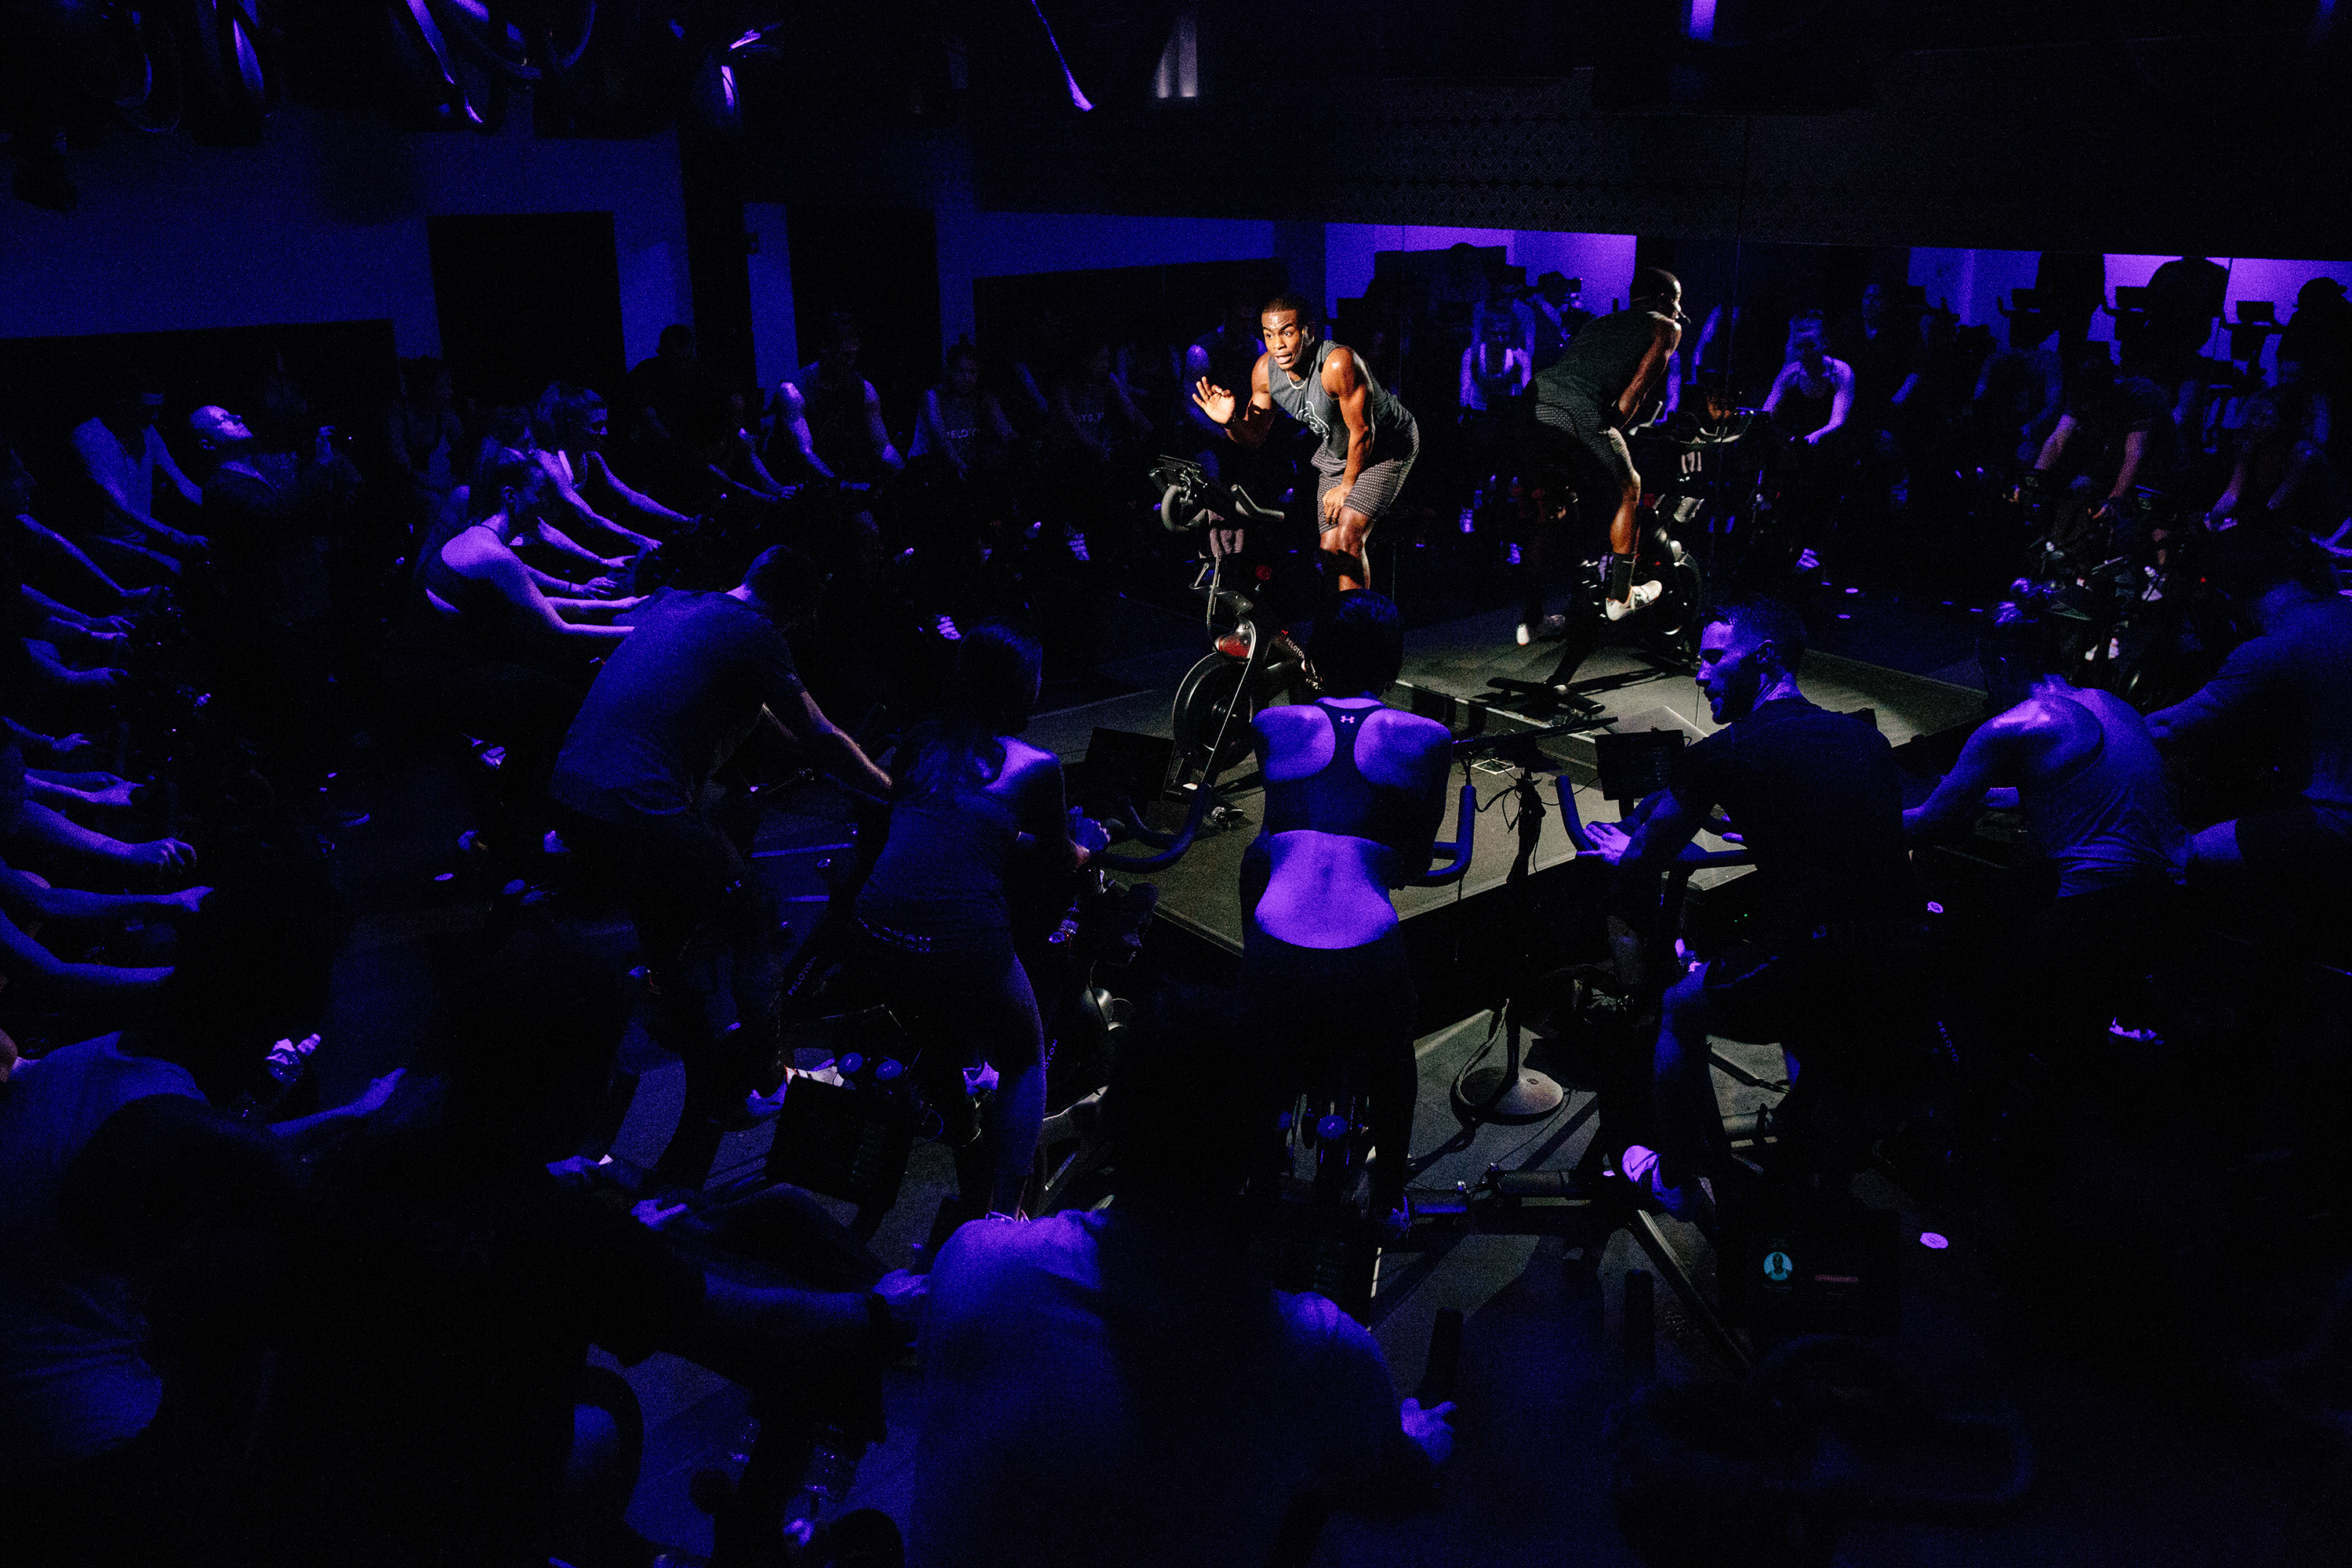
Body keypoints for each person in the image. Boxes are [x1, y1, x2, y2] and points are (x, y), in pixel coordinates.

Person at [254, 927, 903, 1568]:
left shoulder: (348, 1166)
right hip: (450, 1531)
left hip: (307, 1499)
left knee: (597, 1415)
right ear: (565, 1083)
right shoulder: (568, 1236)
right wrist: (885, 1309)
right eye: (605, 1064)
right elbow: (751, 1324)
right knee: (605, 1418)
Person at [907, 989, 1455, 1568]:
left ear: (1105, 1121)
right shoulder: (1324, 1353)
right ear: (1259, 1155)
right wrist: (1421, 1441)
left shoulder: (976, 1262)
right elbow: (1396, 1487)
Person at [550, 545, 888, 1171]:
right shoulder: (756, 633)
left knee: (664, 932)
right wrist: (893, 794)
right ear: (797, 603)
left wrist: (828, 767)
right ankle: (767, 1080)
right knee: (754, 915)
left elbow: (763, 718)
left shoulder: (682, 604)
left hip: (573, 793)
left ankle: (703, 1074)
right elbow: (819, 732)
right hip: (637, 803)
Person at [1584, 597, 1922, 1220]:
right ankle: (1825, 1157)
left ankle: (1677, 1181)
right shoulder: (1863, 739)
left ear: (1764, 658)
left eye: (1715, 658)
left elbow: (1643, 861)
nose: (1701, 673)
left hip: (1816, 959)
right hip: (1900, 960)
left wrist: (1626, 861)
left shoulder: (1725, 752)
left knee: (1681, 1008)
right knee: (1813, 1007)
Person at [853, 624, 1103, 1217]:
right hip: (960, 940)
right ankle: (1004, 1214)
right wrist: (1089, 843)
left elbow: (932, 819)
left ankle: (950, 1110)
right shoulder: (1037, 766)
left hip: (872, 926)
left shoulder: (922, 742)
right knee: (1023, 1056)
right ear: (1024, 690)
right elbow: (1057, 859)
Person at [1239, 591, 1451, 1226]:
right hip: (1365, 945)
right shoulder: (1429, 738)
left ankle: (1253, 1180)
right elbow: (1412, 860)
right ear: (1393, 661)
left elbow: (1273, 834)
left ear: (1319, 657)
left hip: (1277, 941)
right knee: (1393, 1064)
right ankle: (1389, 1197)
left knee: (1262, 1062)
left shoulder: (1272, 726)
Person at [1904, 597, 2188, 1052]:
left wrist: (1845, 818)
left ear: (1997, 662)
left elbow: (1927, 827)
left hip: (2096, 907)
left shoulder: (2015, 726)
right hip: (2166, 896)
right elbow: (2075, 792)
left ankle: (1979, 1097)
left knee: (1958, 971)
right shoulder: (2111, 705)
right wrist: (1978, 793)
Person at [2146, 525, 2352, 892]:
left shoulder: (2275, 648)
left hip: (2337, 820)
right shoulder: (2343, 611)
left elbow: (2168, 729)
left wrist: (2088, 720)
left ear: (2227, 592)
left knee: (2176, 854)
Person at [1192, 292, 1420, 593]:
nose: (1278, 344)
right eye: (1269, 335)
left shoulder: (1338, 364)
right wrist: (1229, 422)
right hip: (1339, 449)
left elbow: (1363, 431)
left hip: (1387, 446)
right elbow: (1254, 438)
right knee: (1328, 548)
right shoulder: (1265, 372)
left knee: (1348, 537)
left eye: (1287, 333)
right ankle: (1335, 621)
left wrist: (1347, 486)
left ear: (1308, 331)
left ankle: (1359, 627)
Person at [1525, 267, 1685, 619]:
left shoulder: (1598, 324)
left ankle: (1532, 617)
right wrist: (1611, 429)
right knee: (1631, 487)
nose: (1678, 312)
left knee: (1554, 502)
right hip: (1578, 410)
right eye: (1676, 303)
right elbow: (1636, 393)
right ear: (1662, 299)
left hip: (1533, 403)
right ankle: (1620, 597)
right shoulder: (1666, 327)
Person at [67, 369, 209, 585]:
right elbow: (119, 507)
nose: (155, 417)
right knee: (172, 568)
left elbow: (181, 483)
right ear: (121, 402)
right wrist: (177, 536)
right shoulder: (89, 436)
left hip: (140, 540)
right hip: (99, 543)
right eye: (148, 409)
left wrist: (222, 509)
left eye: (158, 409)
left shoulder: (147, 432)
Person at [769, 313, 905, 485]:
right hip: (801, 484)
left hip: (840, 480)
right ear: (825, 348)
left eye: (854, 356)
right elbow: (805, 452)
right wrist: (843, 488)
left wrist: (906, 473)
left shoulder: (865, 389)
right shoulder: (792, 393)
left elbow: (883, 447)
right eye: (845, 355)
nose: (851, 362)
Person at [911, 341, 1015, 481]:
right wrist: (960, 466)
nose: (966, 378)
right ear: (949, 371)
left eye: (972, 372)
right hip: (932, 471)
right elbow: (939, 435)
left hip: (969, 471)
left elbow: (1004, 430)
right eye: (960, 371)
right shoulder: (933, 396)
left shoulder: (984, 397)